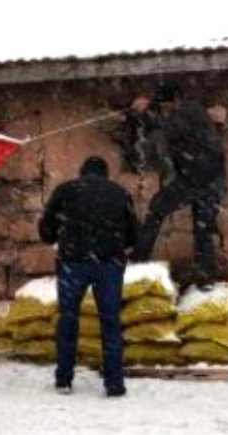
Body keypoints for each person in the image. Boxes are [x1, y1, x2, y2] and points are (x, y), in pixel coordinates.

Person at [39, 156, 139, 398]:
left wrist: (58, 239)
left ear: (82, 172)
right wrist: (116, 246)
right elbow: (134, 234)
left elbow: (46, 229)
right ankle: (114, 383)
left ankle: (64, 379)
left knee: (68, 320)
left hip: (74, 263)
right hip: (109, 264)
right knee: (110, 322)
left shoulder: (65, 191)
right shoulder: (119, 193)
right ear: (105, 174)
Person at [129, 80, 227, 288]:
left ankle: (137, 262)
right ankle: (205, 277)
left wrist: (144, 112)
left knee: (156, 209)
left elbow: (167, 129)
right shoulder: (193, 112)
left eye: (165, 106)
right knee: (203, 229)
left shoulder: (187, 111)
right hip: (211, 179)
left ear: (175, 100)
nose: (164, 110)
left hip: (198, 179)